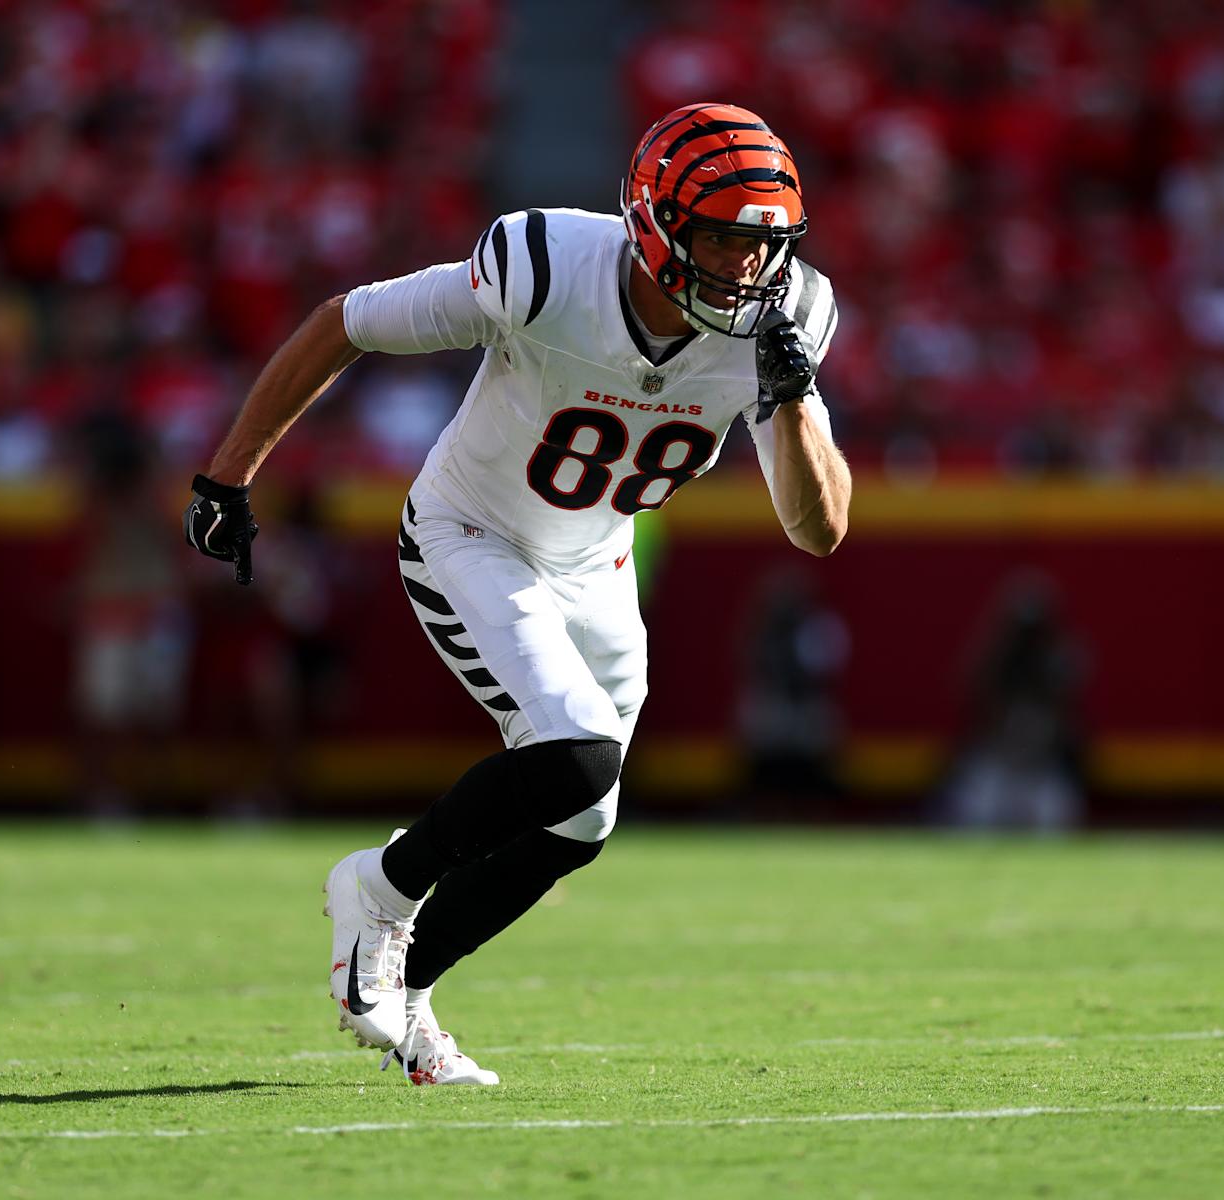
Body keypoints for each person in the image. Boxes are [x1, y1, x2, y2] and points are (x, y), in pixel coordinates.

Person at [183, 103, 850, 1085]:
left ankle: (409, 995)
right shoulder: (544, 269)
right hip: (472, 535)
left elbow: (818, 528)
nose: (746, 265)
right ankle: (380, 885)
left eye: (763, 242)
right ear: (655, 224)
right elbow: (348, 322)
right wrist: (229, 474)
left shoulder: (789, 318)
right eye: (720, 237)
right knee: (576, 754)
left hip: (598, 563)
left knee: (582, 821)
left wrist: (790, 403)